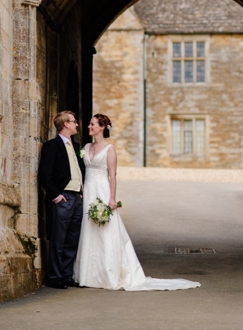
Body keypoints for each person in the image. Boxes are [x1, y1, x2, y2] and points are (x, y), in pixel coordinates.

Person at [73, 113, 200, 291]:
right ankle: (88, 274)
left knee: (105, 230)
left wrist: (112, 199)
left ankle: (108, 274)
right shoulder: (85, 147)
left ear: (102, 127)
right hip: (88, 191)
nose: (89, 127)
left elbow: (113, 176)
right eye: (89, 124)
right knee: (88, 229)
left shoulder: (110, 149)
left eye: (92, 124)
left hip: (102, 190)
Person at [39, 110, 86, 289]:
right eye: (74, 121)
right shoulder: (52, 146)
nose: (77, 124)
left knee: (72, 239)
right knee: (58, 240)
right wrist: (56, 196)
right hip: (63, 197)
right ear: (65, 124)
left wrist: (81, 192)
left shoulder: (77, 146)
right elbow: (45, 174)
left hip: (77, 198)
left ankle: (66, 275)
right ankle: (55, 277)